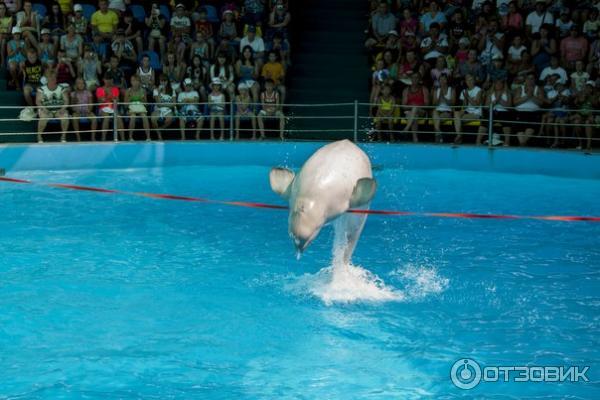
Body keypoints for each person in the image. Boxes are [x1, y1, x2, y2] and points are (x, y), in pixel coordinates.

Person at [453, 74, 486, 145]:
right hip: (467, 111)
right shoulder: (464, 91)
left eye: (471, 80)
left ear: (474, 81)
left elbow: (476, 105)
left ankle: (459, 137)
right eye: (468, 80)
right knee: (456, 113)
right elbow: (464, 107)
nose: (469, 81)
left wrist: (468, 97)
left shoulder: (478, 90)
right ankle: (459, 135)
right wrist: (465, 98)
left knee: (458, 120)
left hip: (476, 113)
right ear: (466, 81)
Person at [36, 73, 70, 143]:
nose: (52, 80)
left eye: (53, 78)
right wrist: (44, 109)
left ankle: (63, 137)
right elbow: (38, 102)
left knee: (65, 117)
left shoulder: (62, 88)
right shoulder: (41, 89)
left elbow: (66, 101)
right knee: (43, 118)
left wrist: (62, 109)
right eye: (50, 78)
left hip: (59, 110)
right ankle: (39, 136)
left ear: (56, 80)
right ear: (47, 80)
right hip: (46, 110)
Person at [513, 73, 544, 146]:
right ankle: (522, 143)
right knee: (519, 128)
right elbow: (515, 102)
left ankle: (522, 144)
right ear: (525, 80)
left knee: (530, 126)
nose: (530, 80)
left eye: (532, 79)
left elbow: (540, 103)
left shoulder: (538, 89)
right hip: (520, 113)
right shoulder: (520, 88)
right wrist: (527, 96)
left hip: (533, 113)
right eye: (528, 79)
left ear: (534, 80)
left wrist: (532, 96)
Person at [401, 73, 429, 142]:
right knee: (414, 116)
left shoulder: (424, 89)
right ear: (411, 79)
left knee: (415, 108)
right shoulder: (406, 90)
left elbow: (427, 105)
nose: (415, 79)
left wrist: (416, 107)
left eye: (416, 78)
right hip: (409, 112)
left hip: (421, 111)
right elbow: (403, 106)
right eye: (413, 78)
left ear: (419, 80)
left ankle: (406, 129)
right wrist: (412, 107)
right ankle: (415, 139)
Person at [95, 72, 123, 141]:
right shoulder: (99, 89)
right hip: (102, 108)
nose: (108, 81)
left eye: (110, 79)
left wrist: (108, 96)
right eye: (106, 79)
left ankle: (123, 138)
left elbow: (117, 100)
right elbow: (100, 101)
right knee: (107, 117)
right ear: (103, 80)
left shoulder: (115, 89)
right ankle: (103, 138)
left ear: (112, 80)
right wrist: (110, 97)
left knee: (118, 117)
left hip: (113, 108)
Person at [124, 75, 150, 141]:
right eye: (133, 81)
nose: (135, 82)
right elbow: (125, 105)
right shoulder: (128, 91)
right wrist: (130, 97)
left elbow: (146, 104)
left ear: (139, 82)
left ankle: (148, 137)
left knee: (144, 117)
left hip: (141, 108)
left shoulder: (143, 91)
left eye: (137, 81)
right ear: (131, 82)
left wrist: (142, 99)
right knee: (133, 117)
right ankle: (130, 137)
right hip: (131, 108)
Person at [70, 77, 97, 141]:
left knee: (94, 119)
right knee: (74, 118)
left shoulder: (88, 92)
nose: (81, 85)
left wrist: (89, 110)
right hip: (77, 112)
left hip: (87, 111)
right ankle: (78, 137)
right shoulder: (73, 93)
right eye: (79, 83)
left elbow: (91, 104)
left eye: (82, 83)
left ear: (84, 84)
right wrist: (76, 93)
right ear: (76, 85)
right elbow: (72, 106)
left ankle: (93, 137)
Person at [487, 79, 512, 146]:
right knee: (485, 120)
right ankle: (478, 140)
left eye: (500, 83)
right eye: (497, 83)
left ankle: (507, 141)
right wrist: (496, 101)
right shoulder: (490, 93)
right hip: (493, 112)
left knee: (506, 120)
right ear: (494, 85)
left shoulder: (507, 93)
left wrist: (500, 100)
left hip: (504, 112)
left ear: (503, 85)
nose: (498, 85)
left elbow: (510, 107)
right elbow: (486, 106)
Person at [432, 73, 456, 143]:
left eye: (444, 79)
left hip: (447, 111)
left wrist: (444, 98)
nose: (442, 81)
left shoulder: (451, 90)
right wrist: (439, 97)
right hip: (437, 111)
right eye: (440, 79)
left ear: (447, 80)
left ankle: (437, 137)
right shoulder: (436, 90)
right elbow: (434, 104)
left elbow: (453, 103)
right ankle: (439, 133)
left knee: (436, 120)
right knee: (434, 113)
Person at [151, 75, 176, 141]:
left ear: (167, 81)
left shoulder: (172, 91)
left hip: (168, 110)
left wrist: (164, 105)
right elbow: (158, 104)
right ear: (159, 81)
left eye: (165, 80)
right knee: (153, 118)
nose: (163, 82)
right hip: (158, 109)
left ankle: (160, 129)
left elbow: (174, 104)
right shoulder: (156, 90)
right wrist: (159, 92)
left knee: (170, 118)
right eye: (162, 81)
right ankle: (159, 135)